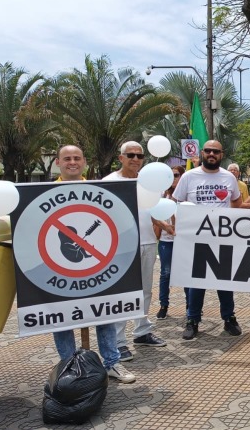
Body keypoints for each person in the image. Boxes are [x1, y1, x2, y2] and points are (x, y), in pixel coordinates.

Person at [52, 145, 135, 383]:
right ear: (58, 162)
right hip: (59, 268)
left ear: (84, 162)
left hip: (97, 268)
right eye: (67, 158)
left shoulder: (99, 191)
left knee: (104, 313)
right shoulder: (43, 192)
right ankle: (69, 367)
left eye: (77, 158)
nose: (72, 162)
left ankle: (112, 363)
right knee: (61, 318)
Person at [173, 140, 244, 340]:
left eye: (216, 151)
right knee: (196, 281)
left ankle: (229, 318)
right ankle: (192, 320)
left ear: (222, 154)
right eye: (208, 151)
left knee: (224, 281)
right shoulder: (188, 177)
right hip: (196, 239)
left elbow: (237, 202)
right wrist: (178, 228)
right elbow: (177, 204)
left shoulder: (229, 177)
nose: (212, 154)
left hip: (223, 237)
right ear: (202, 153)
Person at [103, 141, 167, 361]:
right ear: (120, 158)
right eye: (130, 155)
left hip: (148, 242)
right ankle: (119, 342)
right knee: (122, 294)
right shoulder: (109, 182)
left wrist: (165, 225)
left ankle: (142, 331)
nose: (135, 159)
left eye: (139, 156)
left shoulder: (148, 181)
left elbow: (150, 209)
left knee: (145, 291)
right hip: (120, 247)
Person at [153, 165, 187, 320]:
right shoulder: (161, 196)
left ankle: (190, 306)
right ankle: (163, 305)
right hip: (167, 241)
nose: (174, 178)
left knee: (187, 275)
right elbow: (155, 215)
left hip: (184, 241)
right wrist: (162, 229)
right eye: (171, 175)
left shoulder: (186, 196)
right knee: (166, 273)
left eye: (176, 175)